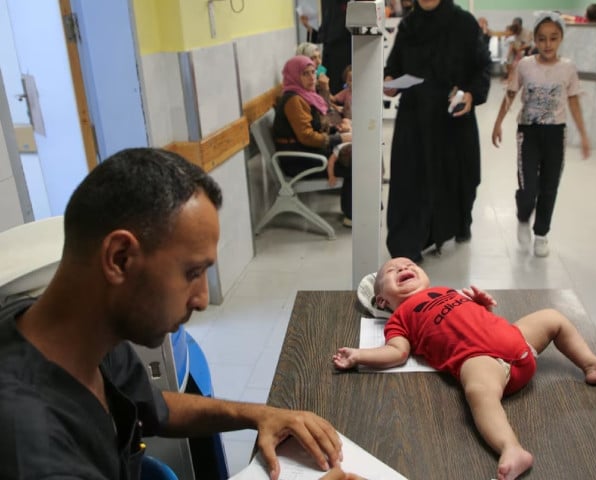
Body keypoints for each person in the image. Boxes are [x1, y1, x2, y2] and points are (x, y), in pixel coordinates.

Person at [0, 148, 365, 480]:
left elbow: (153, 408)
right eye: (192, 273)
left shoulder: (78, 331)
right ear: (120, 259)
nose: (203, 299)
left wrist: (258, 414)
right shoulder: (34, 448)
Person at [333, 257, 596, 480]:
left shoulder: (445, 290)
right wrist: (360, 355)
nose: (402, 268)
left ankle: (590, 363)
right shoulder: (401, 318)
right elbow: (396, 353)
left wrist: (479, 303)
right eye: (391, 271)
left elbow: (476, 318)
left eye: (408, 264)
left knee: (553, 317)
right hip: (482, 361)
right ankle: (511, 447)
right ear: (383, 299)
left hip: (517, 338)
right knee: (478, 392)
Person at [383, 0, 491, 261]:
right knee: (411, 181)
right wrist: (389, 81)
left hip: (452, 116)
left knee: (462, 178)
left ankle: (456, 223)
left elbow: (482, 67)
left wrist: (471, 94)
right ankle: (409, 244)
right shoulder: (409, 25)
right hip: (415, 118)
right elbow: (394, 67)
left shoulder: (464, 23)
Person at [491, 11, 590, 258]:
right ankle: (523, 216)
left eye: (553, 38)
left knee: (549, 186)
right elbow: (511, 94)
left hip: (556, 134)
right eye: (542, 38)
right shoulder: (525, 65)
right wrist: (498, 123)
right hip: (529, 132)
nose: (548, 44)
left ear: (560, 40)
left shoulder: (568, 68)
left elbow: (574, 100)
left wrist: (583, 134)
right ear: (535, 39)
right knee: (528, 187)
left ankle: (542, 234)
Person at [273, 55, 353, 227]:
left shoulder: (306, 96)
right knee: (354, 161)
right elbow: (307, 136)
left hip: (307, 152)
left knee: (358, 152)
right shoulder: (294, 100)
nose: (311, 77)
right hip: (298, 160)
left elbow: (317, 124)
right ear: (294, 76)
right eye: (305, 74)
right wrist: (339, 138)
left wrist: (337, 128)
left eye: (313, 72)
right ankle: (352, 215)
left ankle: (360, 209)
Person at [299, 0, 351, 94]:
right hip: (331, 55)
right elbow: (325, 34)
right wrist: (310, 28)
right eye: (313, 58)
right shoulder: (315, 70)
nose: (318, 60)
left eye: (318, 57)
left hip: (343, 55)